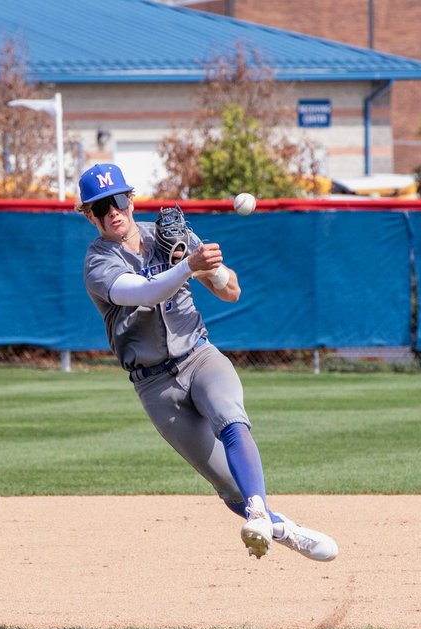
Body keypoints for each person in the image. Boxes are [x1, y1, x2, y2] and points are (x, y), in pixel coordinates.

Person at [77, 162, 338, 562]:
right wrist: (187, 266)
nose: (112, 211)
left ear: (131, 200)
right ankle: (281, 527)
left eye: (116, 200)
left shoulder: (167, 236)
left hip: (198, 356)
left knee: (230, 417)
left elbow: (232, 291)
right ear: (89, 215)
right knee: (227, 485)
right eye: (99, 207)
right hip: (155, 386)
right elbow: (143, 293)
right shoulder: (98, 262)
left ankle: (258, 513)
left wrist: (212, 270)